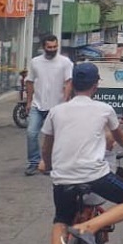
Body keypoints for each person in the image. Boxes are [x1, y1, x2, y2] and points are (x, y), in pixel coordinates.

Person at [40, 62, 123, 244]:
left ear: (72, 84)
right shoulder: (104, 109)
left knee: (61, 219)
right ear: (96, 85)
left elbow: (46, 148)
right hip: (95, 177)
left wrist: (47, 164)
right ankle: (89, 226)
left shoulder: (56, 111)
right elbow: (120, 137)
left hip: (62, 179)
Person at [25, 34, 73, 176]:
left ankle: (50, 163)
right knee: (31, 133)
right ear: (43, 47)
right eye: (49, 47)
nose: (52, 49)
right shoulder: (35, 62)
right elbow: (29, 81)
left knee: (56, 137)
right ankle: (34, 162)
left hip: (56, 107)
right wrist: (29, 101)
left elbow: (69, 82)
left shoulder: (65, 62)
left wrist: (65, 101)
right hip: (37, 105)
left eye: (55, 47)